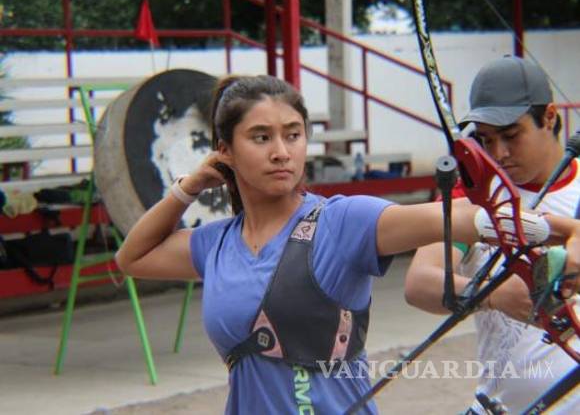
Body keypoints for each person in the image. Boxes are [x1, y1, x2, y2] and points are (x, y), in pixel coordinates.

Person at [116, 74, 580, 414]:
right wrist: (190, 186)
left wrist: (563, 232)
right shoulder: (216, 244)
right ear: (225, 151)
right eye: (260, 138)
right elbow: (133, 257)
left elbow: (460, 217)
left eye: (293, 135)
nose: (281, 152)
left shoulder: (342, 222)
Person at [405, 56, 580, 413]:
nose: (499, 153)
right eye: (486, 139)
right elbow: (420, 282)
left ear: (549, 116)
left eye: (511, 135)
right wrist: (494, 294)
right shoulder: (471, 198)